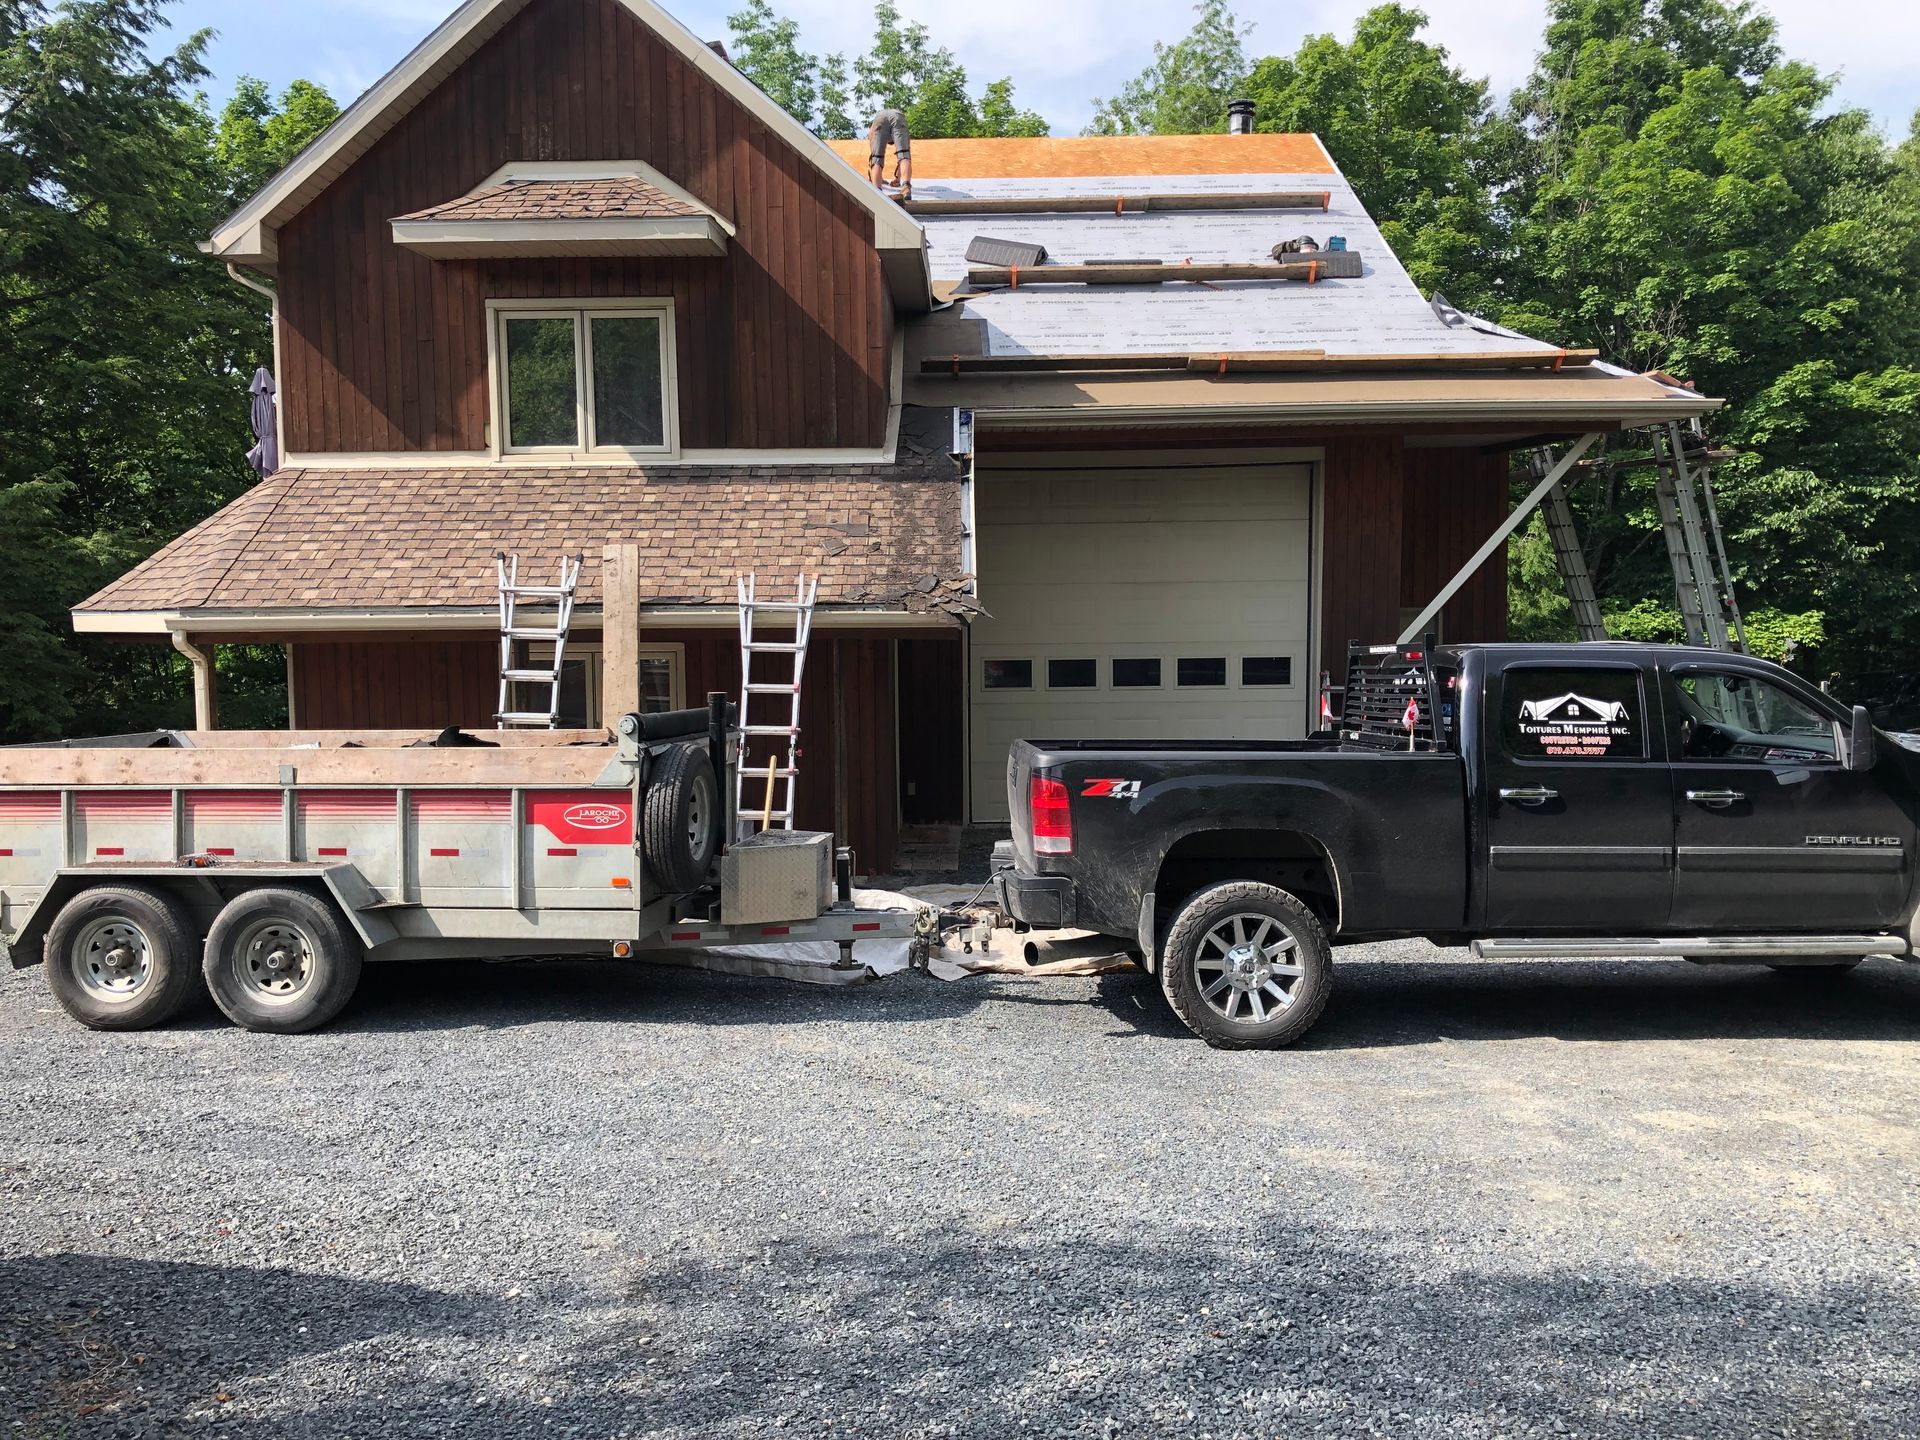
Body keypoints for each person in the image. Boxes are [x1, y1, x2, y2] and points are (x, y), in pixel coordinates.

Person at [867, 108, 911, 200]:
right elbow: (904, 158)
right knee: (904, 155)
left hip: (880, 118)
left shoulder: (872, 130)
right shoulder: (900, 126)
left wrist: (878, 179)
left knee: (876, 157)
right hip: (897, 116)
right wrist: (898, 180)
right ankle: (906, 188)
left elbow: (873, 159)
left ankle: (877, 191)